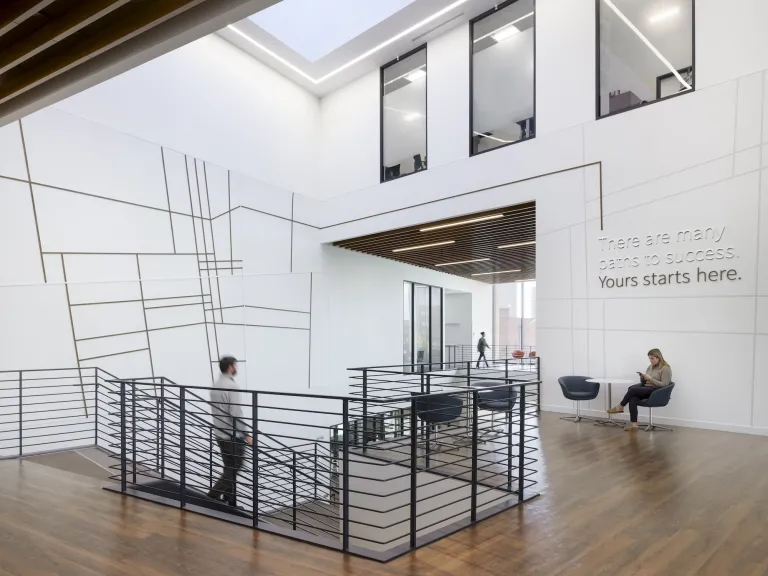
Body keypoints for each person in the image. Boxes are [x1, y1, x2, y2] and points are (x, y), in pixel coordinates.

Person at [208, 356, 253, 506]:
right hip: (232, 435)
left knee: (229, 467)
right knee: (235, 467)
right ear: (230, 367)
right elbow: (235, 413)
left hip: (220, 434)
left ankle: (230, 501)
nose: (236, 368)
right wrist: (246, 434)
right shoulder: (231, 386)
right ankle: (212, 496)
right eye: (235, 366)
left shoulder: (215, 385)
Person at [607, 348, 672, 431]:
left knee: (633, 389)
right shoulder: (650, 367)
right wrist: (643, 378)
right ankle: (634, 425)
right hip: (646, 388)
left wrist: (650, 379)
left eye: (652, 358)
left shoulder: (665, 368)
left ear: (658, 357)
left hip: (655, 391)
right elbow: (645, 382)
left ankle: (620, 406)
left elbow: (664, 385)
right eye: (649, 358)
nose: (650, 361)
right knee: (632, 398)